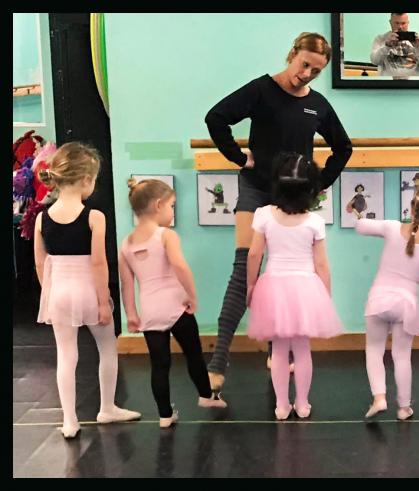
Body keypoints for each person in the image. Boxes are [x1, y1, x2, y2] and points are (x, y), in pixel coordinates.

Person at [204, 32, 352, 392]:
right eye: (304, 65)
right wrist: (239, 157)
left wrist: (316, 185)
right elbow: (216, 118)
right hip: (256, 187)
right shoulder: (261, 90)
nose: (307, 74)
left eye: (315, 71)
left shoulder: (317, 105)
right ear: (292, 55)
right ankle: (219, 358)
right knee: (245, 266)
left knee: (285, 272)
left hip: (292, 196)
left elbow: (343, 148)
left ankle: (277, 348)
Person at [34, 142, 141, 438]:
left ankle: (69, 420)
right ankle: (107, 407)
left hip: (58, 291)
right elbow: (98, 263)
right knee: (107, 347)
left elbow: (40, 262)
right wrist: (104, 302)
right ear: (86, 180)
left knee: (66, 355)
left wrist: (49, 293)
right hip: (87, 289)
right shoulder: (94, 217)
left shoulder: (43, 218)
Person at [120, 179, 227, 428]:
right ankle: (206, 396)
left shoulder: (126, 244)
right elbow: (180, 266)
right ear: (158, 205)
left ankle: (165, 415)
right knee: (193, 355)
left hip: (149, 312)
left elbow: (127, 284)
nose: (173, 211)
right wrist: (192, 295)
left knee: (159, 365)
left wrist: (131, 315)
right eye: (172, 206)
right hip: (176, 307)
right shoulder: (166, 235)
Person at [246, 152, 342, 420]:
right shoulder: (315, 222)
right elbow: (322, 264)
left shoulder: (263, 214)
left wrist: (250, 285)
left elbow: (254, 254)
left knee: (278, 350)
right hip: (305, 287)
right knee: (301, 350)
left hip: (273, 286)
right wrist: (325, 297)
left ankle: (281, 405)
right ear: (311, 188)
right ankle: (302, 403)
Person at [354, 183, 419, 420]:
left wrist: (356, 212)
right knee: (401, 356)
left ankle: (379, 398)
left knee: (374, 350)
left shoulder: (391, 227)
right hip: (406, 305)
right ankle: (404, 407)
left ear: (412, 207)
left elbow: (361, 227)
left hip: (378, 300)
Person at [370, 13, 419, 77]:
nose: (400, 27)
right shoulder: (380, 39)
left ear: (408, 23)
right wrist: (387, 46)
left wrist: (417, 48)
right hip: (388, 85)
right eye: (397, 23)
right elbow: (375, 61)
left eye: (403, 23)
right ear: (390, 22)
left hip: (414, 85)